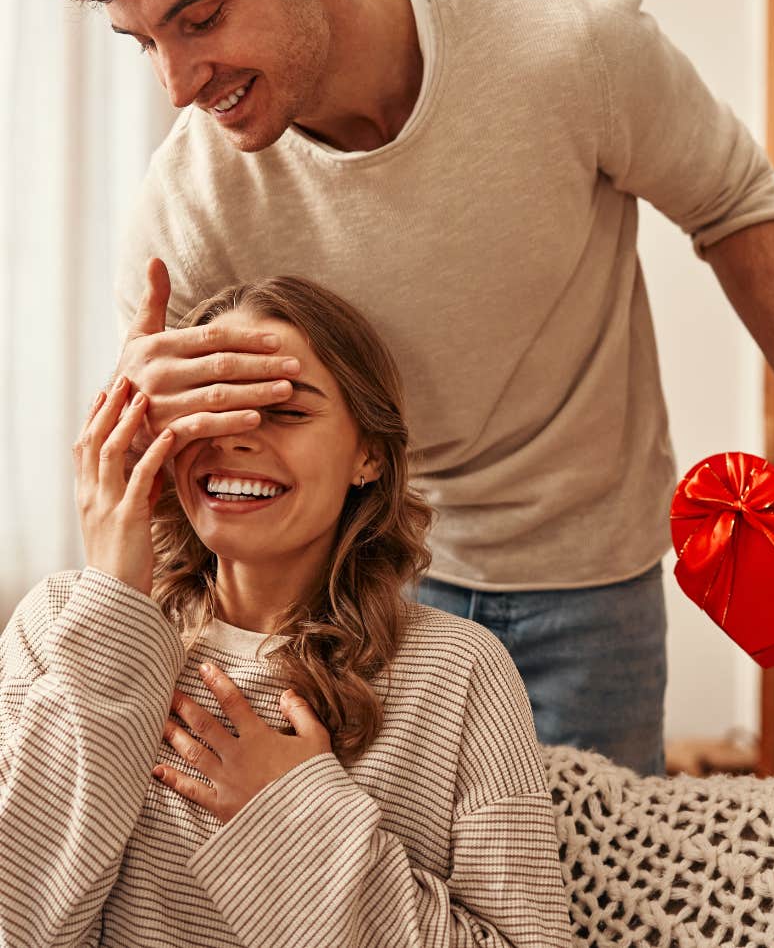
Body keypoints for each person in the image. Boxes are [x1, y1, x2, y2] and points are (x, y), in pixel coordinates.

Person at [45, 0, 774, 776]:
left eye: (201, 19)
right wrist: (148, 426)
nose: (177, 82)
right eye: (146, 42)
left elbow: (731, 201)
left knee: (585, 895)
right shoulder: (189, 201)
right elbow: (158, 477)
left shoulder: (571, 46)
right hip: (361, 584)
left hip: (589, 575)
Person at [0, 274, 569, 948]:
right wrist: (117, 605)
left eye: (287, 411)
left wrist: (292, 817)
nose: (234, 438)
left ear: (370, 456)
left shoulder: (458, 673)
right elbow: (21, 926)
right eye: (209, 411)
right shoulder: (61, 625)